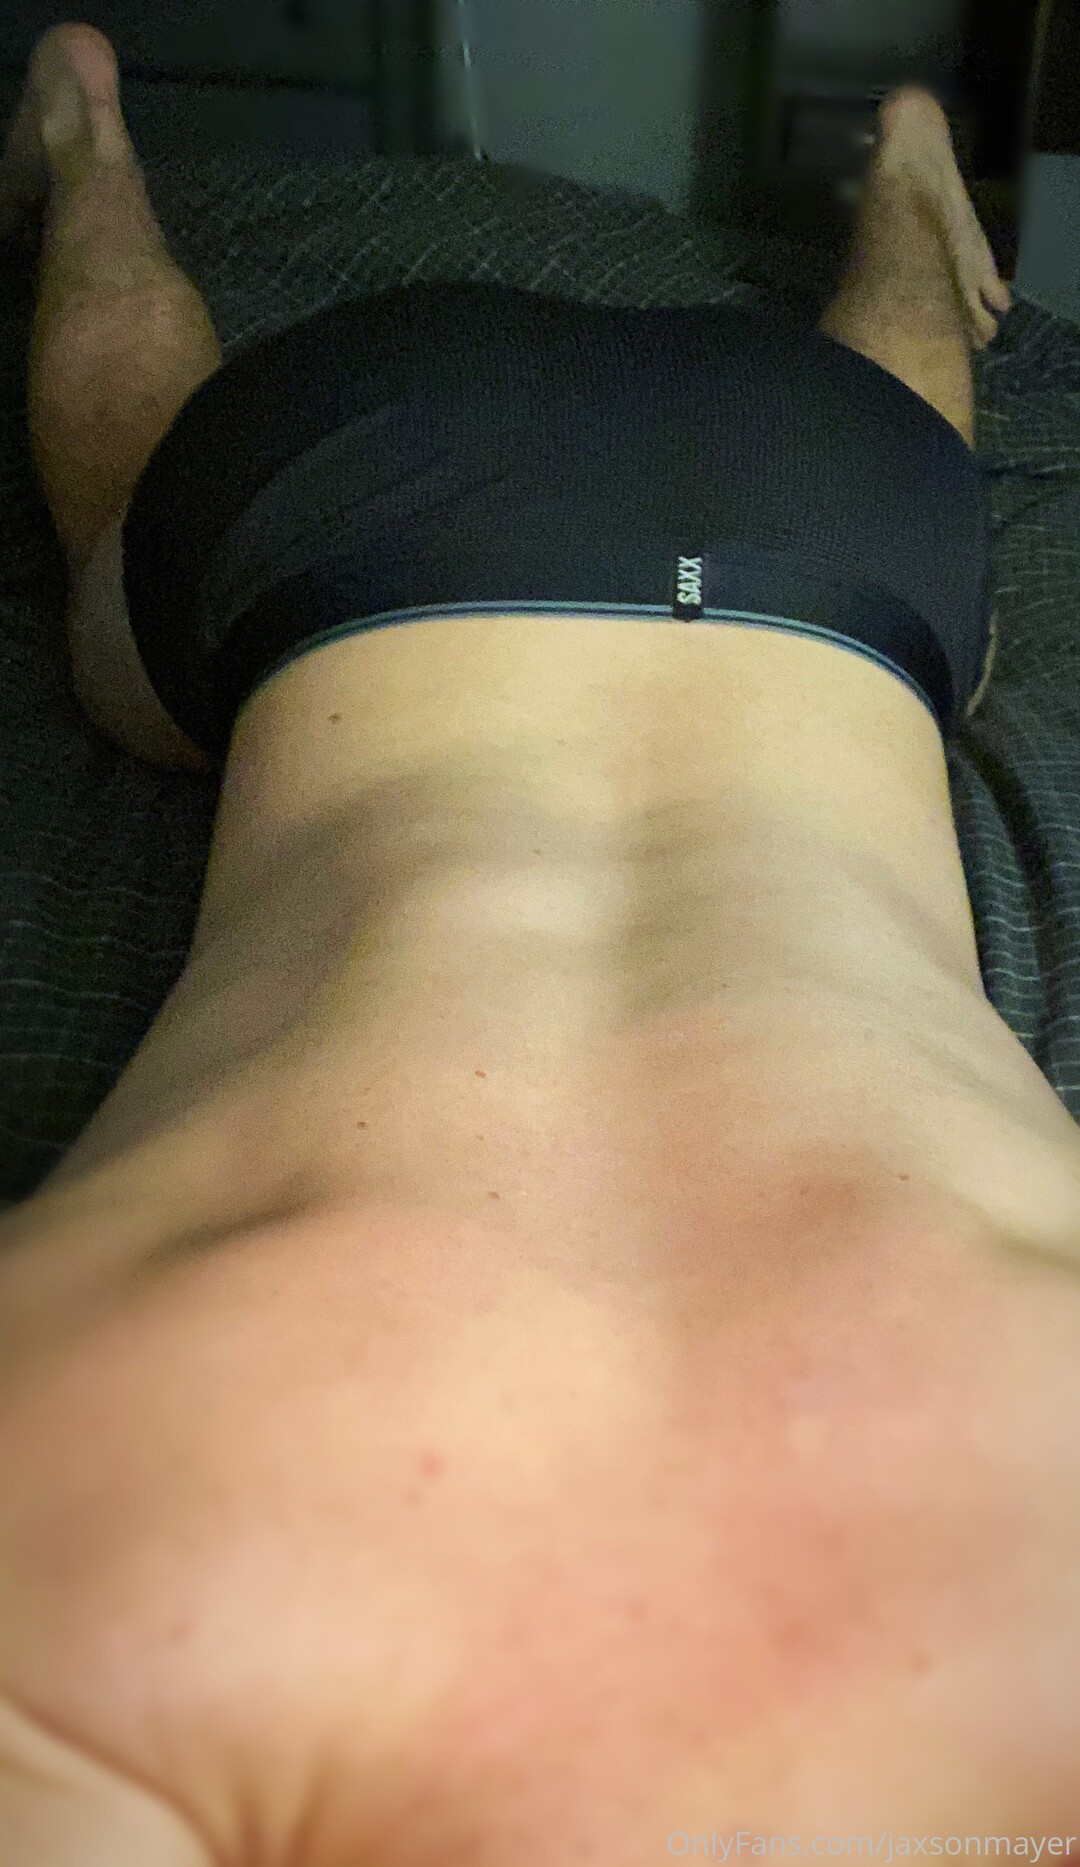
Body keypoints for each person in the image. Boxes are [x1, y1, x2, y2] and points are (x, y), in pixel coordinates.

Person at [1, 22, 1079, 1864]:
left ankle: (907, 190)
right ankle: (92, 142)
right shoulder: (101, 1605)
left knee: (930, 650)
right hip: (376, 513)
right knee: (133, 583)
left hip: (810, 521)